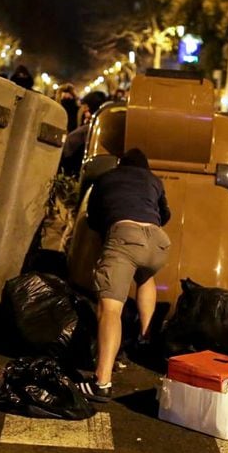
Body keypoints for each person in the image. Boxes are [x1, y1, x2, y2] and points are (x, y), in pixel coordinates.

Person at [79, 148, 171, 401]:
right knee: (145, 276)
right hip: (159, 243)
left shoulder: (106, 178)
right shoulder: (154, 180)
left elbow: (93, 216)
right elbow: (166, 214)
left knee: (110, 310)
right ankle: (144, 338)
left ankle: (101, 381)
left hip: (125, 236)